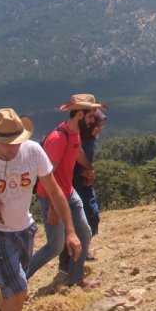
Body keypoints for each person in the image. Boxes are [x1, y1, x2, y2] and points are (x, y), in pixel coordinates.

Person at [0, 108, 81, 311]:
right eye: (6, 144)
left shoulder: (32, 152)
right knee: (19, 289)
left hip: (24, 229)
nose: (12, 148)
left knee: (11, 290)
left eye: (16, 142)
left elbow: (55, 191)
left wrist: (71, 232)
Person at [26, 94, 104, 289]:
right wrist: (53, 206)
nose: (93, 120)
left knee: (84, 234)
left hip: (69, 193)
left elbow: (77, 153)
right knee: (55, 246)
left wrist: (89, 168)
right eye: (90, 116)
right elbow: (47, 175)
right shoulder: (57, 138)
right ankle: (19, 281)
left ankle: (75, 279)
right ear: (79, 115)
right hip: (52, 198)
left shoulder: (74, 132)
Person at [58, 110, 105, 274]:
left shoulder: (89, 138)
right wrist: (86, 170)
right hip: (73, 185)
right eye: (95, 124)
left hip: (84, 185)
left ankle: (81, 251)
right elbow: (68, 165)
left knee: (92, 218)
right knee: (77, 225)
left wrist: (90, 172)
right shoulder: (75, 138)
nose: (98, 129)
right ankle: (68, 264)